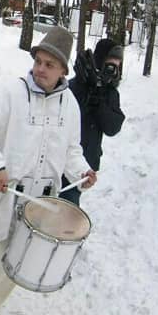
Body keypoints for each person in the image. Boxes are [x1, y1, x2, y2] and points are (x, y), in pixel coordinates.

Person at [0, 26, 96, 315]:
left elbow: (72, 149)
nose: (41, 69)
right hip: (8, 194)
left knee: (21, 262)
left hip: (42, 201)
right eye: (39, 62)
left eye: (49, 65)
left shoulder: (69, 104)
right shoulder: (10, 93)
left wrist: (82, 172)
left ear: (62, 71)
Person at [64, 38, 126, 206]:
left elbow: (112, 127)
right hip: (63, 158)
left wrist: (100, 103)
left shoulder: (111, 93)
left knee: (68, 207)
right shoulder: (77, 84)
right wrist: (88, 89)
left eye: (117, 66)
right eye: (110, 65)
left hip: (85, 165)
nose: (112, 71)